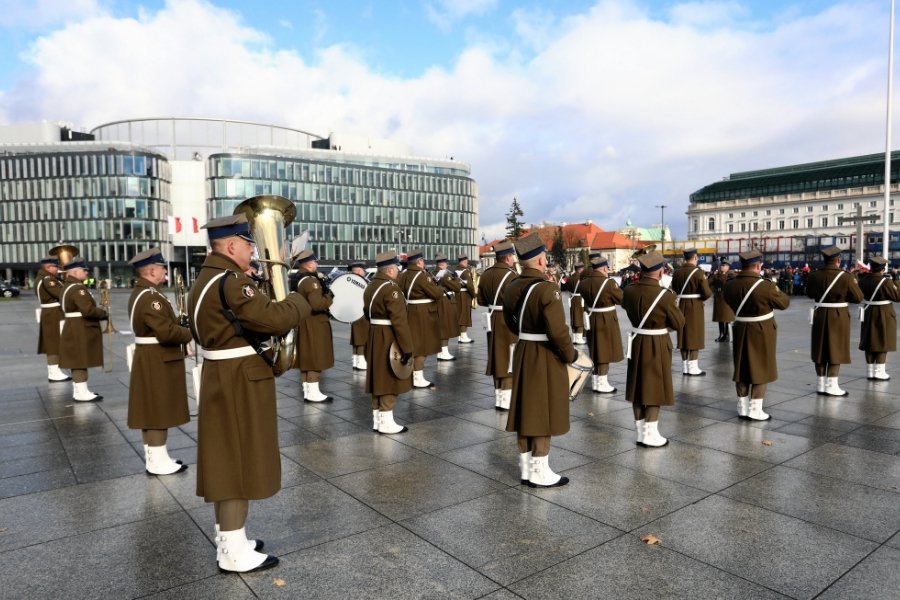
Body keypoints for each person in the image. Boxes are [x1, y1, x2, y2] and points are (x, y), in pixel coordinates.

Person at [188, 214, 310, 573]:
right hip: (237, 379)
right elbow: (274, 320)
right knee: (236, 463)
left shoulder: (208, 279)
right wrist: (301, 299)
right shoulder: (230, 282)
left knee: (228, 459)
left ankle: (231, 537)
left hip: (224, 374)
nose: (253, 250)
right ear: (230, 246)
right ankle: (232, 549)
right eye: (248, 244)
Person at [502, 233, 577, 488]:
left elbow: (509, 322)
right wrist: (571, 355)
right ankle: (540, 470)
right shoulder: (547, 289)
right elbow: (557, 331)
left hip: (523, 349)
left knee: (525, 407)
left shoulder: (511, 286)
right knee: (542, 409)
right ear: (540, 260)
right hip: (544, 353)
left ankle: (525, 467)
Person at [126, 248, 192, 475]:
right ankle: (157, 460)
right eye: (163, 268)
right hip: (157, 358)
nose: (166, 271)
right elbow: (166, 333)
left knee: (152, 410)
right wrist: (188, 332)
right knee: (157, 411)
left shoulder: (144, 293)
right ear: (152, 270)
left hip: (152, 357)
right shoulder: (150, 297)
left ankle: (156, 457)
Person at [623, 252, 685, 448]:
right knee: (654, 387)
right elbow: (679, 323)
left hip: (636, 340)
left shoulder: (630, 291)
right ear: (659, 273)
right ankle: (650, 433)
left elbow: (626, 306)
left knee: (637, 386)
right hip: (656, 342)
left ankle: (641, 431)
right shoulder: (665, 296)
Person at [724, 249, 790, 420]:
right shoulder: (765, 286)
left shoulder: (730, 285)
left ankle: (742, 406)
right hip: (761, 330)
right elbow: (784, 303)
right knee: (761, 366)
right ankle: (755, 408)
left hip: (740, 327)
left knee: (741, 366)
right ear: (758, 265)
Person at [364, 250, 414, 433]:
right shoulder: (391, 288)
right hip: (388, 335)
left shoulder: (371, 286)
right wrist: (407, 348)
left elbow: (365, 311)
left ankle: (378, 419)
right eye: (397, 270)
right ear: (391, 270)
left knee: (379, 378)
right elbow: (399, 321)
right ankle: (386, 420)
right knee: (389, 378)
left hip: (375, 334)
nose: (398, 273)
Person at [806, 246, 863, 396]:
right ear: (838, 260)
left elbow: (809, 293)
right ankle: (832, 385)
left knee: (820, 348)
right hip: (838, 315)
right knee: (835, 348)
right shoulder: (846, 276)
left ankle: (821, 383)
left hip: (820, 313)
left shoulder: (814, 275)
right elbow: (858, 298)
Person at [476, 240, 518, 410]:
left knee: (496, 356)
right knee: (509, 357)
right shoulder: (512, 276)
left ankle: (499, 395)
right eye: (512, 256)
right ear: (507, 258)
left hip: (493, 319)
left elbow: (480, 300)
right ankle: (506, 397)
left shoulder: (485, 274)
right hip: (507, 319)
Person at [58, 257, 108, 401]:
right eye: (84, 270)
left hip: (73, 325)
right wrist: (103, 313)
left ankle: (79, 390)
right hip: (79, 327)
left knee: (77, 359)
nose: (87, 273)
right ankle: (81, 392)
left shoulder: (67, 286)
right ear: (75, 271)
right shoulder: (77, 288)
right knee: (79, 360)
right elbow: (88, 311)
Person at [578, 253, 624, 393]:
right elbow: (622, 299)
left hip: (592, 318)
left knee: (595, 350)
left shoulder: (584, 283)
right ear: (604, 268)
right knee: (604, 350)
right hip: (606, 319)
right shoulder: (609, 283)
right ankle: (602, 382)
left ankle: (596, 380)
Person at [398, 248, 444, 388]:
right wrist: (439, 287)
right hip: (423, 313)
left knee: (413, 344)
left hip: (410, 310)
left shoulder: (404, 274)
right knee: (422, 346)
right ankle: (418, 376)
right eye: (422, 260)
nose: (424, 263)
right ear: (419, 262)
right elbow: (436, 294)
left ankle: (413, 375)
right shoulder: (422, 276)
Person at [294, 249, 335, 402]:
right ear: (309, 264)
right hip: (314, 323)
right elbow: (317, 305)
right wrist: (329, 296)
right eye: (315, 261)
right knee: (314, 356)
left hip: (303, 321)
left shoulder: (298, 278)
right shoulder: (311, 281)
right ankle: (313, 392)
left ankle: (308, 390)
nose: (316, 263)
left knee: (306, 357)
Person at [858, 256, 900, 381]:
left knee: (869, 341)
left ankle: (870, 371)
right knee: (883, 341)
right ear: (883, 268)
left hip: (868, 311)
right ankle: (879, 371)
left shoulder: (863, 280)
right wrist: (896, 280)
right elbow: (898, 296)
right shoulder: (886, 282)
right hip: (883, 313)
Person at [671, 248, 712, 375]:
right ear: (695, 257)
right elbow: (706, 293)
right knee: (694, 335)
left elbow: (674, 289)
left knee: (683, 335)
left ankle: (684, 366)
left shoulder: (677, 272)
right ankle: (693, 366)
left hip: (681, 304)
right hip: (694, 307)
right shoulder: (698, 272)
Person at [35, 255, 70, 382]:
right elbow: (62, 293)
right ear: (49, 267)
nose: (58, 269)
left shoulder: (44, 277)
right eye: (56, 267)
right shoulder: (48, 279)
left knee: (53, 342)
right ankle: (54, 372)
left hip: (50, 312)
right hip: (53, 313)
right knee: (54, 343)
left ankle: (54, 370)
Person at [434, 254, 461, 361]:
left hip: (440, 301)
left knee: (442, 327)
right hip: (446, 302)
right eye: (446, 263)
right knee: (446, 327)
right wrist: (456, 280)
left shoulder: (434, 273)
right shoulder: (445, 274)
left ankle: (441, 351)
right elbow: (457, 287)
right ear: (443, 264)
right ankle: (443, 352)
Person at [348, 260, 370, 371]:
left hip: (354, 312)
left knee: (356, 337)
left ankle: (356, 360)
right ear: (360, 271)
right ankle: (361, 361)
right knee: (362, 337)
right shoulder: (361, 282)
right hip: (362, 312)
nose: (364, 272)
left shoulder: (350, 282)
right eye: (362, 270)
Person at [709, 260, 735, 342]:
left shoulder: (731, 275)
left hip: (726, 299)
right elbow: (708, 283)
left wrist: (722, 275)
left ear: (728, 267)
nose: (721, 267)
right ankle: (721, 334)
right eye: (721, 265)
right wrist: (712, 275)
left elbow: (724, 282)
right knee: (720, 319)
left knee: (727, 318)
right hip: (718, 299)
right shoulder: (717, 275)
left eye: (723, 265)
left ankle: (726, 335)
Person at [562, 261, 587, 344]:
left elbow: (566, 287)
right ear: (580, 269)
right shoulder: (582, 278)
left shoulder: (570, 278)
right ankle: (579, 338)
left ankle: (574, 337)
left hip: (572, 299)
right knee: (579, 318)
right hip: (580, 299)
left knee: (573, 317)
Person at [455, 254, 476, 344]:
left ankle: (460, 336)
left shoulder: (454, 270)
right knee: (465, 314)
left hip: (457, 295)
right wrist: (474, 295)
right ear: (464, 262)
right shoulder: (466, 272)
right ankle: (463, 336)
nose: (467, 263)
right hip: (464, 295)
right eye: (466, 261)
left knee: (459, 314)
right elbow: (470, 286)